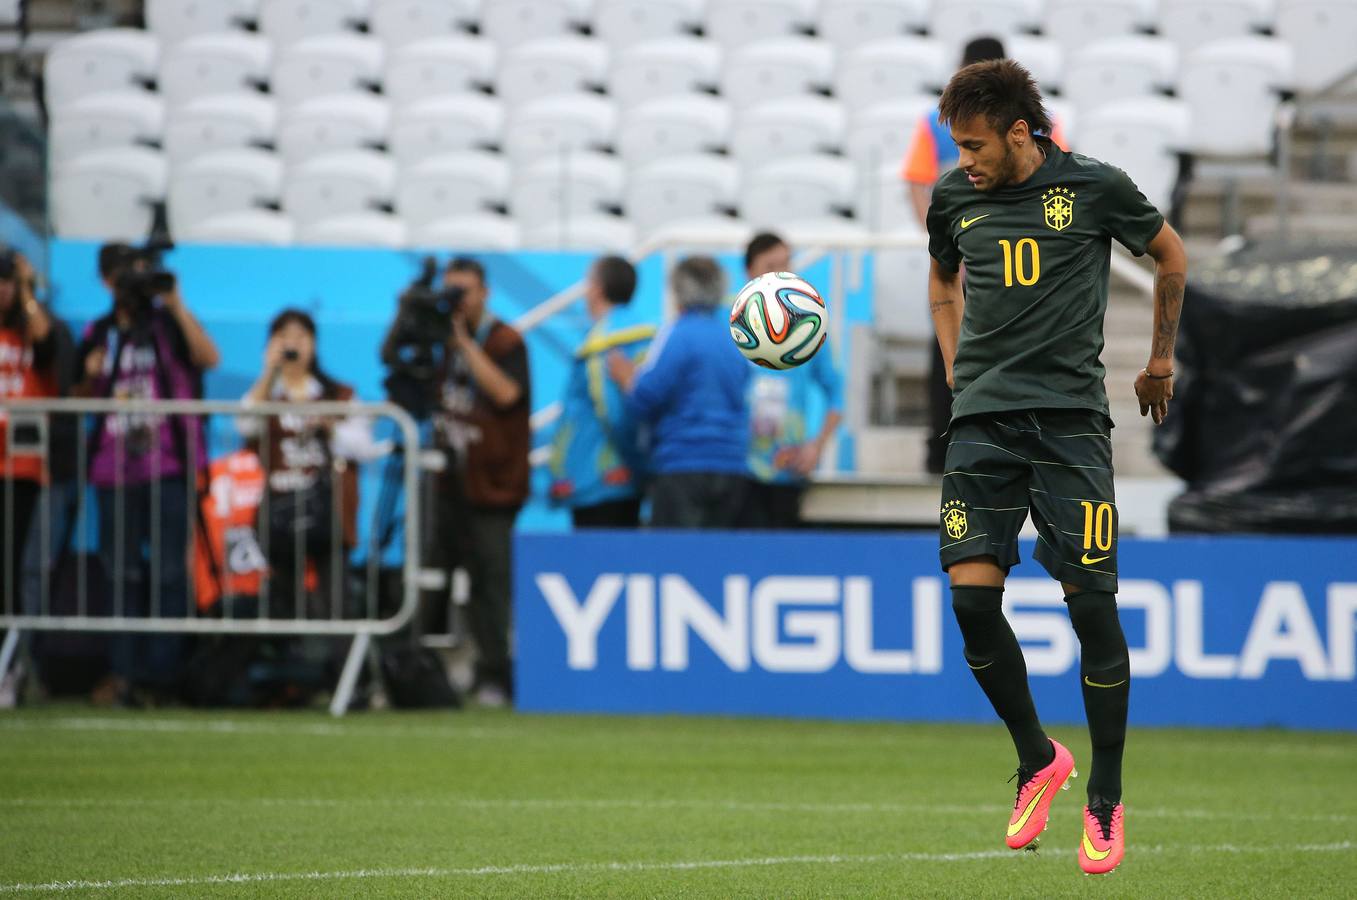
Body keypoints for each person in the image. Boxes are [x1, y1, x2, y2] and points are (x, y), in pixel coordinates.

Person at [925, 59, 1186, 874]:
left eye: (974, 144)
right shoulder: (952, 198)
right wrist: (952, 368)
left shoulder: (1096, 187)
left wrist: (1158, 363)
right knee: (970, 604)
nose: (964, 160)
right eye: (955, 145)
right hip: (980, 424)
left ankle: (1103, 799)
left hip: (1071, 427)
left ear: (1017, 132)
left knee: (1091, 610)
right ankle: (1038, 756)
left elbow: (1170, 257)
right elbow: (941, 280)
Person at [903, 36, 1069, 473]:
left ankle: (944, 453)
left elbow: (917, 185)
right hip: (1013, 258)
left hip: (965, 259)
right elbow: (1063, 183)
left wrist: (945, 243)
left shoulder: (934, 124)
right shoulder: (1037, 125)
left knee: (949, 350)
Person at [74, 242, 220, 705]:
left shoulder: (166, 326)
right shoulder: (98, 332)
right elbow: (75, 397)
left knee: (170, 574)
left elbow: (207, 356)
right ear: (106, 282)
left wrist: (175, 303)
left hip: (169, 463)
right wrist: (89, 374)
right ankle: (124, 674)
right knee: (120, 572)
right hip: (113, 468)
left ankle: (164, 676)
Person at [429, 257, 530, 707]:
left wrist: (466, 346)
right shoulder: (440, 343)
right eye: (449, 291)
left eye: (464, 291)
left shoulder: (506, 340)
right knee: (439, 578)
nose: (457, 301)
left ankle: (496, 674)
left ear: (485, 293)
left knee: (491, 583)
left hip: (493, 485)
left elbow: (507, 394)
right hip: (450, 481)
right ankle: (429, 672)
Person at [237, 309, 372, 618]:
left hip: (329, 512)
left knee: (335, 601)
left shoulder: (338, 394)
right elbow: (245, 425)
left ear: (314, 343)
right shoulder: (267, 394)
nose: (292, 344)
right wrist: (268, 373)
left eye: (300, 337)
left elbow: (362, 447)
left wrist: (330, 426)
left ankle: (338, 665)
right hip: (280, 511)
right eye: (284, 337)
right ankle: (290, 659)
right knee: (283, 600)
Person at [608, 255, 750, 528]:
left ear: (678, 293)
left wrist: (626, 378)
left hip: (683, 465)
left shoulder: (678, 335)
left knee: (677, 562)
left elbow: (644, 398)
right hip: (732, 466)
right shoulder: (735, 339)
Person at [738, 233, 843, 528]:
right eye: (770, 266)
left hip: (788, 470)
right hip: (736, 470)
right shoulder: (730, 324)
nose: (780, 275)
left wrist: (817, 445)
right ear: (749, 272)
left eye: (786, 266)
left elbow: (836, 392)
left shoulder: (808, 328)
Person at [548, 256, 655, 528]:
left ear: (596, 288)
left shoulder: (602, 343)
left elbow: (614, 412)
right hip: (624, 477)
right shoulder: (648, 336)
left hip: (599, 477)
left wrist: (634, 463)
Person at [0, 249, 56, 606]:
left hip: (19, 467)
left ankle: (9, 653)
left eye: (7, 282)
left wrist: (27, 292)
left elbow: (49, 348)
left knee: (14, 565)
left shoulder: (32, 329)